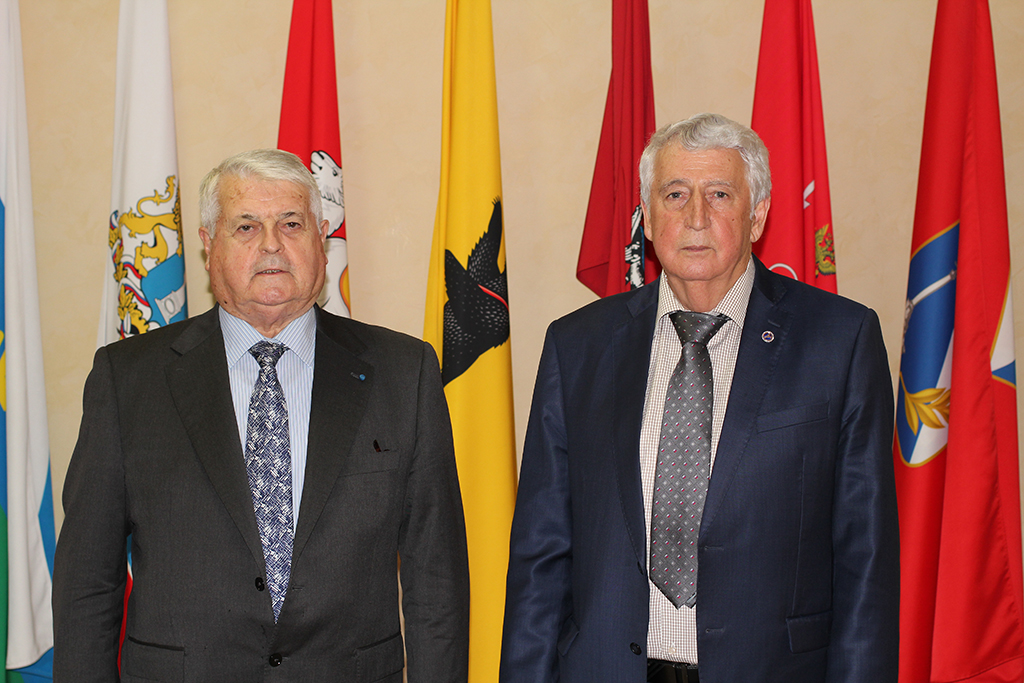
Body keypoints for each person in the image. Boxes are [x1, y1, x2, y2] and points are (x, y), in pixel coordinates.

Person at [500, 113, 898, 682]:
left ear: (757, 215)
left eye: (719, 194)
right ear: (648, 215)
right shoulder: (578, 346)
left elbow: (865, 558)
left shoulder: (840, 341)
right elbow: (540, 556)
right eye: (675, 194)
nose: (695, 217)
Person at [53, 149, 470, 682]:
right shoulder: (127, 379)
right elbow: (87, 582)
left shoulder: (404, 373)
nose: (271, 243)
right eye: (246, 226)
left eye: (291, 224)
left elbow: (437, 580)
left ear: (322, 239)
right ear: (208, 245)